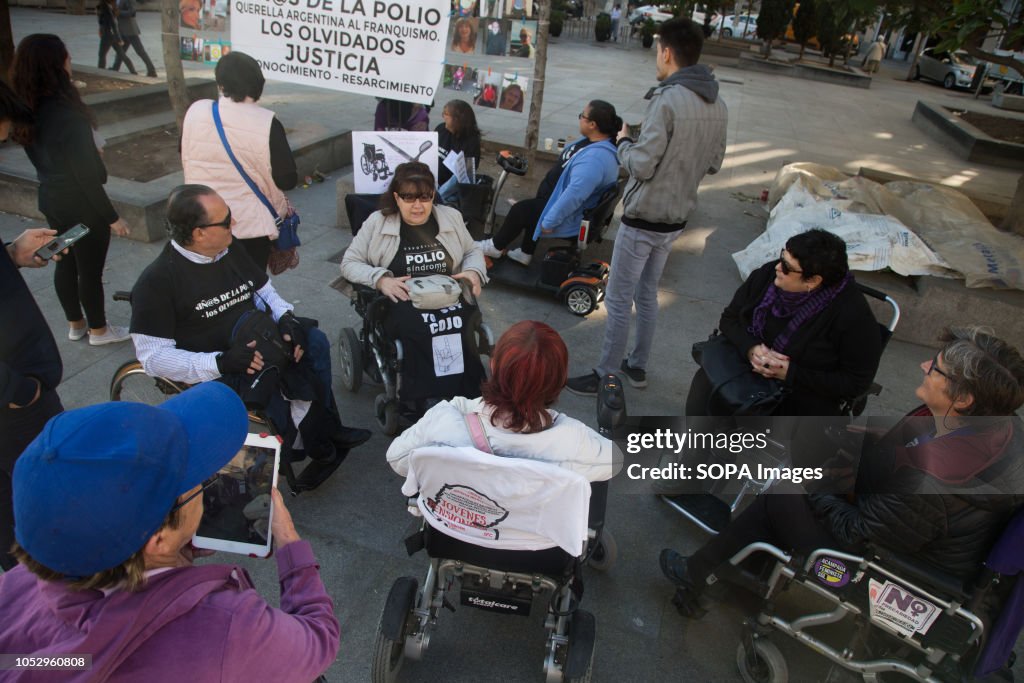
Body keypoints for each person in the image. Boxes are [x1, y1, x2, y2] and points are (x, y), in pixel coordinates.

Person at [659, 326, 1024, 617]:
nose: (924, 366)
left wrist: (814, 484)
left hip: (887, 580)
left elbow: (858, 534)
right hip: (903, 534)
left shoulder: (934, 478)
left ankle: (701, 575)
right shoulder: (996, 427)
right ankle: (724, 583)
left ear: (963, 400)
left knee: (783, 495)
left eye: (936, 368)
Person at [0, 382, 341, 680]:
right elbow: (318, 640)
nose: (207, 482)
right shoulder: (225, 628)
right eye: (197, 482)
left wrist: (173, 552)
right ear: (157, 539)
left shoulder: (16, 586)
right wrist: (289, 543)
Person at [129, 185, 370, 490]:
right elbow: (152, 357)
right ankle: (300, 451)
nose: (234, 224)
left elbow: (263, 291)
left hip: (257, 335)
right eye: (226, 220)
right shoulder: (157, 282)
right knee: (275, 386)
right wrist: (220, 362)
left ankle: (324, 430)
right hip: (217, 362)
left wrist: (285, 319)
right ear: (199, 233)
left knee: (314, 342)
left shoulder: (228, 250)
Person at [567, 18, 727, 396]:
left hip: (643, 218)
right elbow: (715, 163)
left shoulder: (667, 99)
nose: (657, 56)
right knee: (647, 294)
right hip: (676, 218)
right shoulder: (717, 103)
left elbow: (640, 164)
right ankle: (637, 367)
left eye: (658, 49)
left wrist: (624, 142)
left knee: (621, 298)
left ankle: (606, 373)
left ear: (667, 52)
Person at [339, 162, 487, 418]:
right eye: (408, 197)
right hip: (402, 298)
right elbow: (349, 263)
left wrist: (474, 271)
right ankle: (422, 398)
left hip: (447, 294)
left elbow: (472, 250)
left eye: (424, 197)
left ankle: (469, 394)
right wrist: (380, 280)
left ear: (433, 196)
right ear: (397, 197)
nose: (417, 205)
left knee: (463, 321)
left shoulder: (449, 217)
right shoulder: (378, 222)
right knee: (419, 328)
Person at [13, 34, 133, 347]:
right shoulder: (69, 116)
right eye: (66, 56)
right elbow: (86, 177)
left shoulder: (27, 110)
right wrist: (112, 217)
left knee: (64, 260)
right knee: (89, 269)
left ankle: (75, 323)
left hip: (52, 200)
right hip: (84, 207)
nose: (69, 61)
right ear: (56, 65)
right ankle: (99, 330)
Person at [387, 320, 614, 482]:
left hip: (458, 539)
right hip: (533, 544)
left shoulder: (445, 419)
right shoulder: (574, 441)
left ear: (494, 366)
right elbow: (615, 461)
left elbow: (396, 458)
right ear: (559, 381)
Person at [688, 230, 882, 417]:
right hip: (747, 364)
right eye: (782, 256)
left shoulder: (853, 317)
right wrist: (751, 348)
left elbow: (855, 383)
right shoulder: (766, 276)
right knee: (706, 384)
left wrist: (789, 374)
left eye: (788, 267)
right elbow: (730, 319)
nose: (778, 267)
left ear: (813, 281)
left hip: (802, 387)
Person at [181, 51, 298, 272]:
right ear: (259, 84)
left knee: (209, 286)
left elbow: (186, 152)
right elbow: (287, 179)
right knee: (249, 287)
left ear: (220, 83)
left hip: (202, 220)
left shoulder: (196, 111)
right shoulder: (267, 123)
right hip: (251, 227)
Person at [478, 100, 621, 267]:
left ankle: (495, 247)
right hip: (552, 199)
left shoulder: (596, 159)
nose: (580, 119)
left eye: (582, 116)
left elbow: (575, 194)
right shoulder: (593, 142)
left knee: (521, 211)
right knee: (533, 207)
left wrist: (550, 221)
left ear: (592, 124)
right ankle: (525, 252)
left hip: (571, 217)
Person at [435, 99, 482, 203]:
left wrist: (438, 196)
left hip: (450, 191)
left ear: (457, 119)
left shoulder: (471, 142)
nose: (443, 116)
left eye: (446, 114)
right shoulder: (441, 129)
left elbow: (463, 176)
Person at [111, 0, 158, 78]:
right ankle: (115, 67)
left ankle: (151, 70)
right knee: (120, 51)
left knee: (140, 51)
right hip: (122, 30)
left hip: (130, 30)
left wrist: (119, 13)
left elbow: (132, 12)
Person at [97, 0, 136, 74]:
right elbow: (103, 21)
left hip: (107, 36)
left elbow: (113, 23)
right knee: (122, 55)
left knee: (101, 55)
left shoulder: (105, 6)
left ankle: (100, 72)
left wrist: (119, 38)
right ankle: (133, 72)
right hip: (111, 35)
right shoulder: (106, 6)